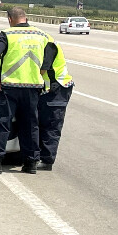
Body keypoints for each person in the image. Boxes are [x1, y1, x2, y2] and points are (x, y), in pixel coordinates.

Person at [0, 7, 53, 174]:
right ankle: (31, 163)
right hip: (33, 87)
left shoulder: (8, 33)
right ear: (25, 17)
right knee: (31, 126)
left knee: (3, 124)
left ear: (10, 19)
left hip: (10, 87)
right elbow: (48, 61)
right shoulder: (42, 35)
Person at [38, 34, 74, 170]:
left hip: (56, 88)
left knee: (51, 125)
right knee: (41, 123)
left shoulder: (49, 45)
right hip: (48, 89)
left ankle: (47, 160)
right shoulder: (44, 42)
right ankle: (40, 156)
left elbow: (42, 70)